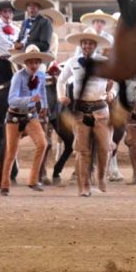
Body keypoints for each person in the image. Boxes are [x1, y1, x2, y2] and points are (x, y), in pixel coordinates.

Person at [57, 27, 117, 197]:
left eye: (91, 43)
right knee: (82, 150)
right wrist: (62, 96)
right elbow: (61, 80)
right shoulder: (73, 62)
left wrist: (112, 93)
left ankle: (101, 177)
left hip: (100, 108)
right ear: (81, 45)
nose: (88, 45)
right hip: (80, 110)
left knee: (105, 147)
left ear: (95, 45)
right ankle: (84, 185)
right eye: (85, 43)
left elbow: (117, 81)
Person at [0, 45, 54, 196]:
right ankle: (4, 184)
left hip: (31, 116)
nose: (34, 65)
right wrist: (31, 99)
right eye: (31, 62)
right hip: (14, 117)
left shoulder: (41, 76)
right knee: (11, 152)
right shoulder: (18, 77)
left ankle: (33, 180)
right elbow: (12, 100)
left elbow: (42, 90)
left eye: (37, 62)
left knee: (42, 144)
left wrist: (44, 105)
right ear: (25, 63)